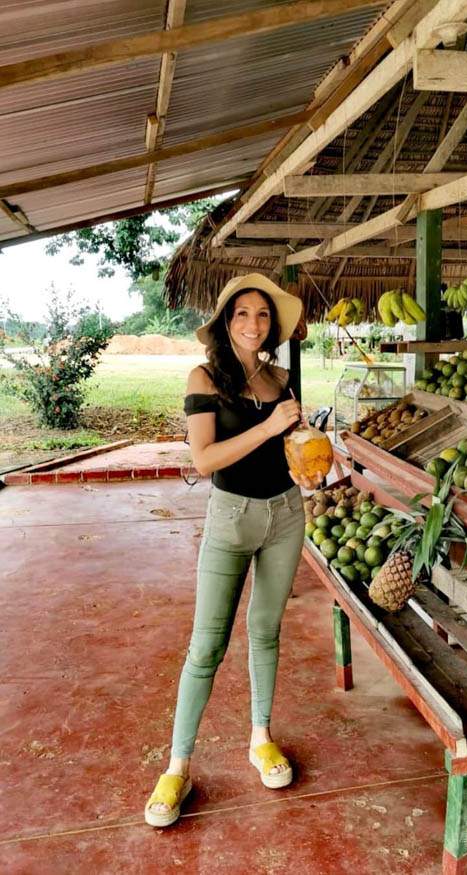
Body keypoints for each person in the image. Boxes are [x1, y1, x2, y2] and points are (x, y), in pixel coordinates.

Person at [145, 273, 323, 828]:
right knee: (206, 646)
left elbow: (294, 446)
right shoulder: (205, 377)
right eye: (242, 314)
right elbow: (204, 460)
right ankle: (177, 767)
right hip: (230, 519)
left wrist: (311, 460)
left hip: (286, 515)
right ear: (226, 322)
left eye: (263, 315)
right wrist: (270, 426)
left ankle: (260, 738)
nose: (253, 324)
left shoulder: (282, 378)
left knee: (266, 630)